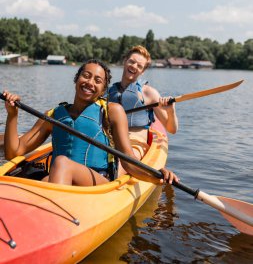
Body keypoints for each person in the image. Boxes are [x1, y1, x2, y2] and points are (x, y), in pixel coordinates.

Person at [3, 59, 179, 187]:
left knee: (61, 163)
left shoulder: (112, 111)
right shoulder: (54, 115)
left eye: (97, 80)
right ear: (76, 79)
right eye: (86, 76)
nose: (89, 83)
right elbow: (14, 152)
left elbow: (128, 160)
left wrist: (156, 175)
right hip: (60, 178)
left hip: (97, 181)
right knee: (46, 178)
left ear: (103, 90)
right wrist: (12, 115)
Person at [109, 45, 178, 162]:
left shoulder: (149, 93)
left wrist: (171, 110)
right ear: (125, 61)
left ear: (142, 71)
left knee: (121, 162)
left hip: (135, 143)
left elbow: (172, 129)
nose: (134, 66)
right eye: (131, 62)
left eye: (139, 66)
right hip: (110, 141)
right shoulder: (109, 92)